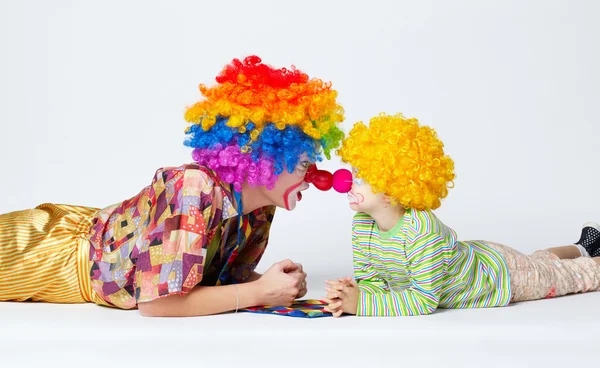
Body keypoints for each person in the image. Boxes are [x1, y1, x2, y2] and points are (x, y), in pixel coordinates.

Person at [0, 55, 346, 317]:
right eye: (304, 164)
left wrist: (269, 284)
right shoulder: (192, 187)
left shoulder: (256, 209)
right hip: (56, 254)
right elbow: (157, 304)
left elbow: (209, 282)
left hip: (85, 232)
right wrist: (259, 293)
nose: (316, 178)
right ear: (263, 159)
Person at [323, 113, 600, 317]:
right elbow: (372, 282)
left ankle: (590, 259)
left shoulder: (422, 231)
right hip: (484, 258)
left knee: (569, 277)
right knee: (540, 260)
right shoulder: (362, 225)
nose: (347, 180)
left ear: (391, 190)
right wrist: (349, 295)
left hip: (501, 276)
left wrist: (361, 304)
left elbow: (423, 300)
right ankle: (584, 245)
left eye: (361, 177)